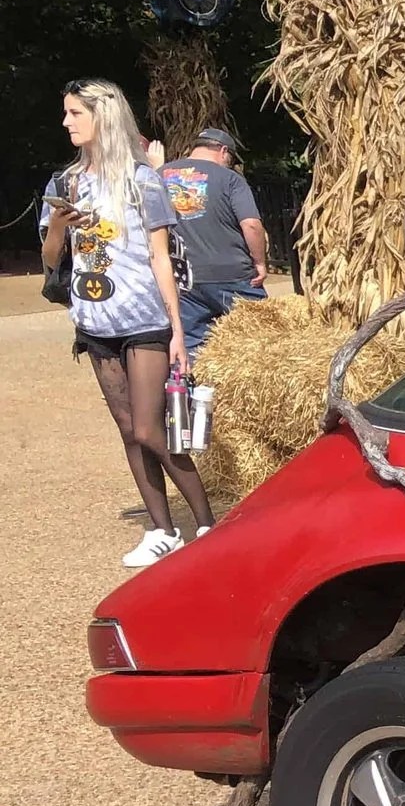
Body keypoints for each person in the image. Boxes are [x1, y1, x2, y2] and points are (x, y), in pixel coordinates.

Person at [41, 79, 213, 566]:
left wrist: (177, 329)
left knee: (150, 429)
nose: (66, 122)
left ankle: (204, 523)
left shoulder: (143, 181)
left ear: (103, 117)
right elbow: (51, 257)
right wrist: (58, 226)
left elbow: (162, 259)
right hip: (95, 323)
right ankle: (163, 530)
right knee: (126, 428)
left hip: (144, 320)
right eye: (67, 112)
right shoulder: (64, 183)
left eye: (75, 113)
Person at [160, 128, 268, 353]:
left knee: (193, 348)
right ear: (223, 151)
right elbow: (251, 224)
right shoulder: (230, 179)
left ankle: (193, 387)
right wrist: (260, 262)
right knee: (263, 341)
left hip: (184, 279)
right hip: (233, 276)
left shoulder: (159, 175)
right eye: (230, 159)